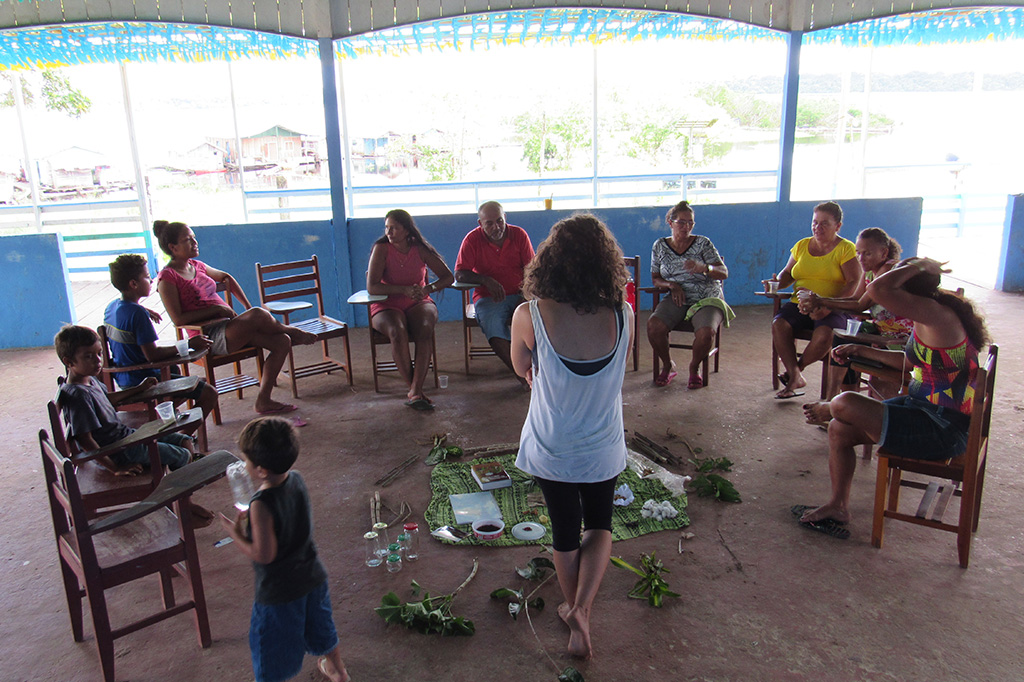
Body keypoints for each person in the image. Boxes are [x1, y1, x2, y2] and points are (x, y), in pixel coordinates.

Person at [510, 213, 634, 660]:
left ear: (549, 260)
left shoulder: (530, 315)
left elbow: (521, 365)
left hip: (552, 445)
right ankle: (582, 608)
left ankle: (573, 610)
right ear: (606, 263)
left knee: (564, 530)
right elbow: (617, 372)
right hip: (602, 444)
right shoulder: (624, 314)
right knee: (600, 523)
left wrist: (538, 372)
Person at [796, 257, 990, 538]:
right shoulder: (930, 314)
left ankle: (830, 407)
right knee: (840, 430)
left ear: (906, 294)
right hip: (923, 410)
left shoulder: (938, 315)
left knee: (845, 403)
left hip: (942, 430)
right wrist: (860, 350)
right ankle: (838, 505)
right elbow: (910, 364)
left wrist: (924, 264)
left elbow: (877, 289)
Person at [218, 417, 350, 682]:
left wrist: (236, 535)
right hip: (313, 576)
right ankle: (338, 670)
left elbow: (265, 555)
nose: (244, 465)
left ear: (261, 470)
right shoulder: (297, 480)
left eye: (246, 461)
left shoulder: (261, 504)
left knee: (270, 647)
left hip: (280, 591)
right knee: (321, 628)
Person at [153, 220, 318, 416]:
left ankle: (263, 400)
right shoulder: (168, 278)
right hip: (207, 337)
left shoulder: (197, 266)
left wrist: (246, 307)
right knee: (262, 317)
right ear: (173, 247)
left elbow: (226, 278)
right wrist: (217, 310)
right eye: (188, 240)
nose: (195, 242)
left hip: (229, 328)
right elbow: (178, 319)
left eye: (194, 238)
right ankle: (289, 328)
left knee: (282, 341)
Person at [54, 324, 201, 475]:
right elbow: (85, 441)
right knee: (182, 455)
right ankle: (182, 492)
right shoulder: (78, 396)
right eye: (88, 356)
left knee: (184, 440)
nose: (98, 360)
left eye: (99, 353)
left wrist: (139, 389)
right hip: (117, 451)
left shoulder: (88, 379)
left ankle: (187, 480)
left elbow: (106, 399)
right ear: (69, 362)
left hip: (126, 437)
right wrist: (115, 468)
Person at [798, 228, 913, 400]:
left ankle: (839, 400)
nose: (861, 258)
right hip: (881, 332)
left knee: (847, 341)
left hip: (901, 338)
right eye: (858, 253)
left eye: (867, 254)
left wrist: (821, 301)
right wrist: (820, 301)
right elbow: (855, 298)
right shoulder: (868, 272)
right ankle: (838, 398)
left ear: (884, 252)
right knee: (843, 337)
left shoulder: (888, 270)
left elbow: (860, 305)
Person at [104, 253, 219, 420]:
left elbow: (127, 314)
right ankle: (182, 438)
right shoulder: (137, 314)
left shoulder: (112, 307)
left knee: (175, 371)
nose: (151, 281)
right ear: (133, 284)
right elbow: (153, 355)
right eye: (147, 277)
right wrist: (189, 344)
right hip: (144, 381)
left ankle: (173, 422)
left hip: (123, 378)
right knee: (209, 393)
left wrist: (143, 310)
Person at [767, 201, 862, 399]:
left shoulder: (846, 249)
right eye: (815, 222)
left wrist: (828, 305)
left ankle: (795, 372)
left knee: (825, 335)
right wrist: (775, 282)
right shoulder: (802, 245)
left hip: (832, 305)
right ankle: (795, 375)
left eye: (824, 223)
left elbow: (854, 281)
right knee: (779, 324)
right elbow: (787, 274)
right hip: (799, 303)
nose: (818, 227)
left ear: (838, 226)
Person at [366, 209, 454, 410]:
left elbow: (448, 276)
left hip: (417, 302)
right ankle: (414, 389)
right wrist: (403, 290)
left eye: (394, 228)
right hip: (386, 304)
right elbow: (372, 286)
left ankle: (415, 390)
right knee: (397, 331)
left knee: (425, 327)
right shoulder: (381, 249)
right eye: (387, 228)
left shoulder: (419, 249)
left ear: (407, 230)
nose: (389, 232)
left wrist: (426, 289)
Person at [647, 201, 733, 389]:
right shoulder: (660, 246)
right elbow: (655, 278)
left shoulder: (703, 243)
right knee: (654, 326)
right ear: (670, 222)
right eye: (681, 222)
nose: (686, 227)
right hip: (678, 296)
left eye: (690, 223)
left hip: (707, 298)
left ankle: (694, 368)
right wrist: (671, 284)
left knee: (706, 333)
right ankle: (668, 365)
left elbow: (723, 272)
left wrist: (705, 268)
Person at [454, 201, 535, 385]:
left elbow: (532, 269)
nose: (496, 226)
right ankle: (523, 377)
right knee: (494, 327)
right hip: (489, 298)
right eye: (489, 223)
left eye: (499, 220)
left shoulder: (519, 235)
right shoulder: (472, 240)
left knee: (537, 320)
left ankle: (537, 369)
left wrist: (525, 295)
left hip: (521, 293)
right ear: (480, 224)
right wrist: (486, 280)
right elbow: (459, 273)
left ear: (505, 218)